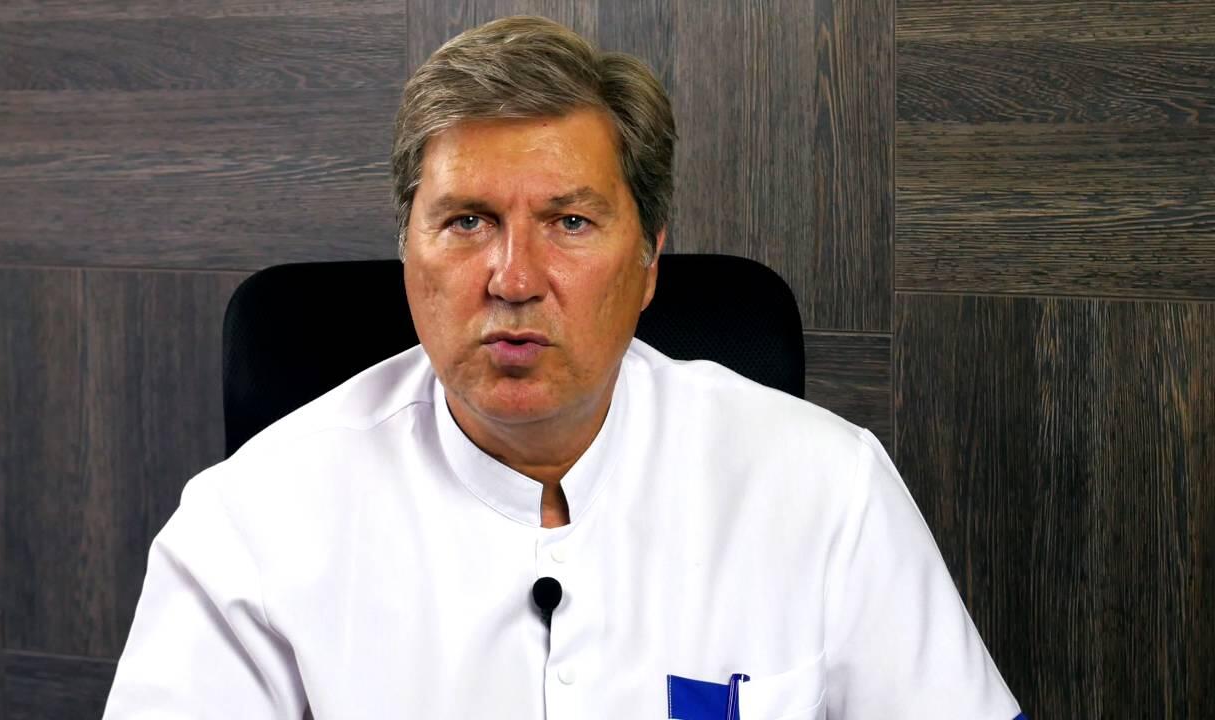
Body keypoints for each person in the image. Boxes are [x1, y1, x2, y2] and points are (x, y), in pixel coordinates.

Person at [104, 15, 1025, 720]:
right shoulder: (246, 526)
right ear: (408, 253)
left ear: (649, 259)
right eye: (467, 221)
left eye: (571, 222)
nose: (514, 278)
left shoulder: (829, 487)